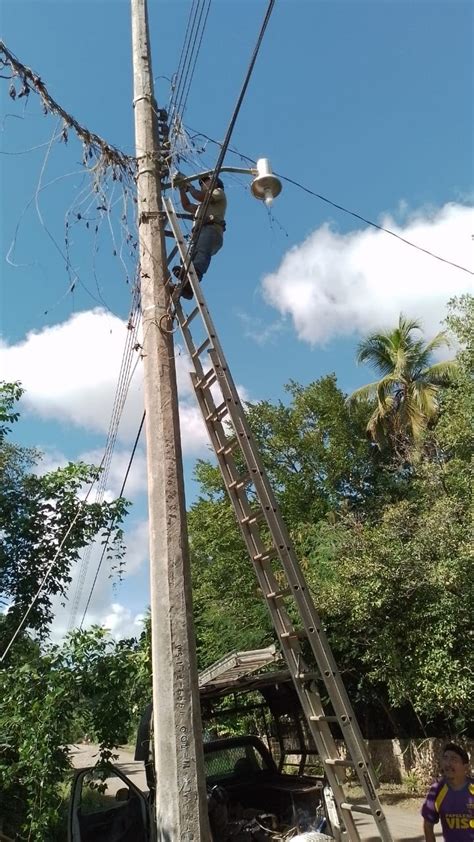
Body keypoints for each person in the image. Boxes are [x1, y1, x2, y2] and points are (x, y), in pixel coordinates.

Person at [173, 173, 227, 299]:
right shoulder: (202, 206)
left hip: (211, 230)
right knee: (186, 256)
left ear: (215, 183)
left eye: (206, 181)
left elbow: (200, 196)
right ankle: (187, 285)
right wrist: (182, 189)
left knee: (201, 253)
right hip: (199, 233)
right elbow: (186, 206)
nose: (203, 184)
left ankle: (193, 278)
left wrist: (189, 186)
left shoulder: (218, 192)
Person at [421, 743, 473, 842]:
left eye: (454, 759)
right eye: (445, 758)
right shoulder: (437, 790)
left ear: (465, 767)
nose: (448, 763)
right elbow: (428, 825)